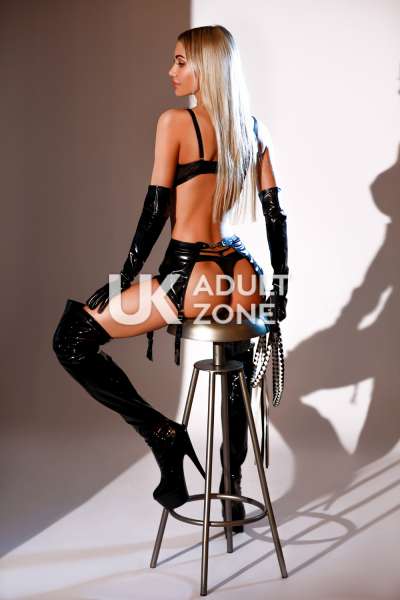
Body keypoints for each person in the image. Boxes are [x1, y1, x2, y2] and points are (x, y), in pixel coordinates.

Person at [52, 25, 288, 531]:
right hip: (244, 277)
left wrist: (124, 277)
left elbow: (155, 209)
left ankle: (162, 434)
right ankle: (231, 490)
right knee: (235, 376)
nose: (171, 71)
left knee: (71, 340)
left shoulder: (176, 123)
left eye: (181, 61)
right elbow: (275, 216)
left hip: (192, 277)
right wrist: (280, 291)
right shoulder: (254, 128)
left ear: (205, 67)